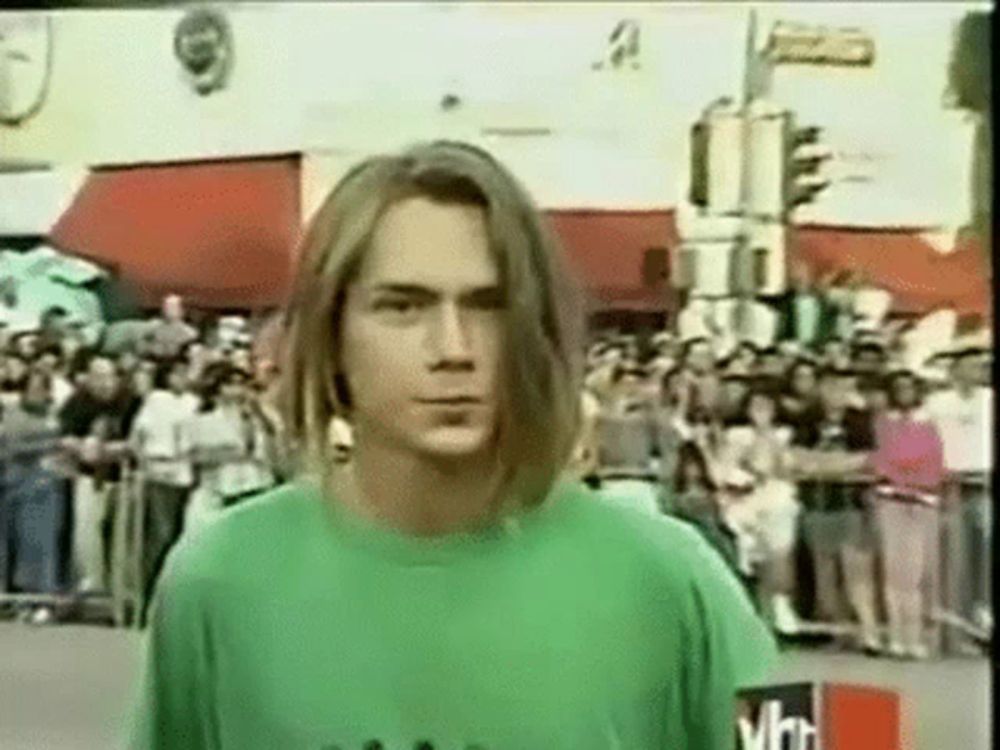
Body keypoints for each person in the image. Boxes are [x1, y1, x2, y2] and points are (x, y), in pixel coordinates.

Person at [129, 141, 775, 749]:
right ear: (333, 332)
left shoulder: (672, 579)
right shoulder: (218, 583)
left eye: (489, 306)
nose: (454, 349)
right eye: (402, 307)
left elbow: (803, 734)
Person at [870, 369, 945, 659]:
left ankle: (914, 637)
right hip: (891, 501)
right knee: (892, 572)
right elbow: (883, 460)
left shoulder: (927, 424)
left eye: (909, 387)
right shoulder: (884, 423)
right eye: (898, 387)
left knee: (914, 574)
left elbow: (932, 463)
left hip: (920, 503)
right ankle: (896, 636)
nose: (904, 393)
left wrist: (911, 481)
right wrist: (899, 478)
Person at [721, 388, 802, 636]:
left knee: (779, 553)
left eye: (766, 407)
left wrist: (768, 438)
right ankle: (753, 613)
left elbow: (787, 468)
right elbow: (726, 467)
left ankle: (781, 604)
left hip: (777, 497)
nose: (761, 413)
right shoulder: (737, 435)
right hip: (745, 499)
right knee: (750, 557)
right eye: (755, 407)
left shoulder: (784, 435)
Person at [925, 345, 993, 636]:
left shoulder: (989, 399)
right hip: (948, 484)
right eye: (971, 365)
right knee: (953, 552)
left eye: (981, 366)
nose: (978, 371)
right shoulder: (937, 403)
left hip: (984, 482)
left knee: (985, 548)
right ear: (956, 370)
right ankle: (955, 616)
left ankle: (983, 609)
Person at [129, 357, 200, 624]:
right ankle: (150, 600)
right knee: (160, 537)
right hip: (159, 473)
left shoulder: (193, 402)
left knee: (183, 537)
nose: (181, 379)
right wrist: (144, 461)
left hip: (187, 473)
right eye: (176, 374)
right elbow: (138, 436)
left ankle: (175, 603)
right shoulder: (156, 400)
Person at [0, 370, 67, 624]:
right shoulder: (13, 414)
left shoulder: (54, 414)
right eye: (32, 388)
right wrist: (54, 444)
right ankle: (17, 598)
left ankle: (42, 597)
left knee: (42, 544)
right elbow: (12, 446)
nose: (37, 393)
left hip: (46, 488)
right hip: (16, 486)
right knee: (18, 544)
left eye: (42, 388)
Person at [142, 294, 199, 361]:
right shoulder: (153, 326)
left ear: (181, 311)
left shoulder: (190, 332)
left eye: (173, 307)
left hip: (177, 362)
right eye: (167, 307)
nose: (169, 310)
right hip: (155, 360)